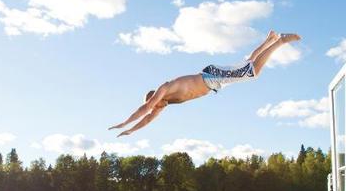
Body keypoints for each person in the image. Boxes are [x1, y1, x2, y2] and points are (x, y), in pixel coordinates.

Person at [109, 30, 301, 136]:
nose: (157, 109)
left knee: (252, 72)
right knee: (246, 66)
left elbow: (145, 109)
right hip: (214, 82)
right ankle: (269, 40)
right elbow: (148, 118)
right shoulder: (166, 103)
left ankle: (280, 42)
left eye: (155, 105)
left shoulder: (164, 89)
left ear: (154, 98)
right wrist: (131, 131)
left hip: (211, 76)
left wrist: (124, 123)